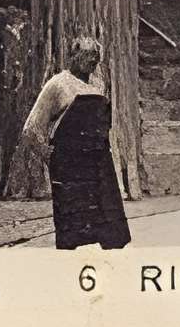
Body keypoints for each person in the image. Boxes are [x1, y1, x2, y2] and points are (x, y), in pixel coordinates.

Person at [16, 35, 131, 250]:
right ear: (74, 55)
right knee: (72, 225)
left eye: (96, 56)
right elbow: (31, 128)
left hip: (98, 163)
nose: (93, 61)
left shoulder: (98, 85)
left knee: (109, 223)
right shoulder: (57, 84)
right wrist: (48, 155)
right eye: (88, 55)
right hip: (70, 165)